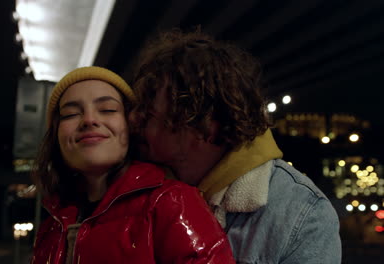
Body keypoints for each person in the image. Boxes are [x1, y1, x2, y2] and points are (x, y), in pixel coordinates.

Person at [131, 30, 342, 263]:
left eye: (149, 116)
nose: (133, 120)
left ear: (206, 130)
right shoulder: (132, 186)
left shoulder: (303, 216)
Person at [30, 66, 235, 264]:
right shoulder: (50, 227)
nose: (89, 120)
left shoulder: (171, 202)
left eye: (107, 109)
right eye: (71, 114)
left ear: (132, 127)